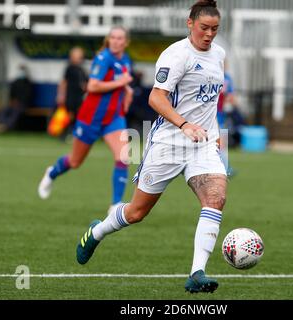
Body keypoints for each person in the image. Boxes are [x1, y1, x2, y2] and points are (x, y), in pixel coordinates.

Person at [76, 0, 226, 294]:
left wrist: (215, 133)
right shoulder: (176, 55)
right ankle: (97, 231)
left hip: (203, 144)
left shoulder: (219, 55)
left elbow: (210, 101)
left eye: (215, 29)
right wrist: (184, 125)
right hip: (169, 142)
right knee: (136, 213)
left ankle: (197, 272)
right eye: (204, 28)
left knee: (216, 197)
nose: (209, 34)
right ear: (190, 23)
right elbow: (156, 99)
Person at [38, 26, 134, 207]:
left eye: (120, 38)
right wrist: (120, 82)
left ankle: (115, 206)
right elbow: (92, 86)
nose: (115, 41)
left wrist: (127, 90)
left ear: (126, 42)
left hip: (113, 117)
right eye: (112, 37)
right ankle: (51, 173)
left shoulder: (125, 60)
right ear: (108, 39)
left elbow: (123, 81)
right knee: (75, 162)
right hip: (91, 117)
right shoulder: (103, 58)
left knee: (123, 157)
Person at [56, 46, 89, 136]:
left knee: (79, 115)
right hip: (70, 95)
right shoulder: (69, 68)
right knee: (69, 115)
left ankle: (76, 133)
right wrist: (60, 95)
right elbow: (64, 82)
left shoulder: (82, 69)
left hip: (80, 96)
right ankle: (64, 133)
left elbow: (85, 83)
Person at [0, 65, 33, 131]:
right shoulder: (15, 82)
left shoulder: (28, 84)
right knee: (5, 109)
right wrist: (12, 101)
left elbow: (28, 96)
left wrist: (20, 102)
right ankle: (1, 123)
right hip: (13, 103)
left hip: (23, 104)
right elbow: (11, 94)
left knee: (16, 112)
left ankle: (8, 126)